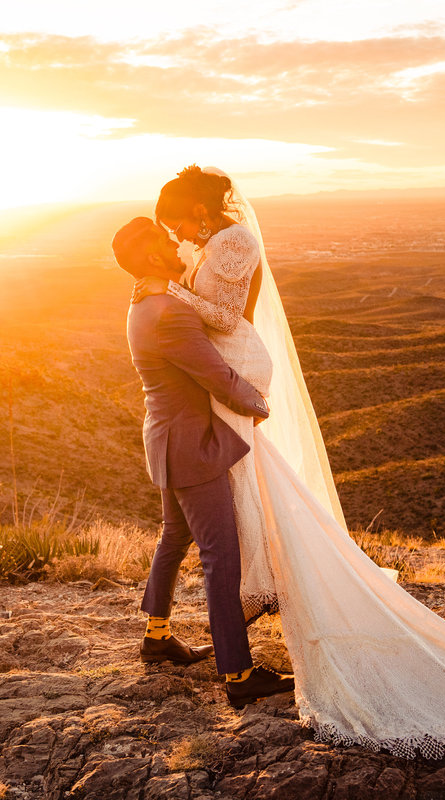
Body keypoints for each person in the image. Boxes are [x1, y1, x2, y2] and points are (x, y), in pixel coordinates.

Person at [129, 166, 445, 759]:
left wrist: (173, 293)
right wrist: (240, 388)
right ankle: (232, 663)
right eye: (166, 229)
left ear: (197, 209)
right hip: (202, 414)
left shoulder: (217, 254)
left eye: (175, 218)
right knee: (218, 537)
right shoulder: (170, 294)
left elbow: (225, 319)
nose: (173, 232)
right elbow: (205, 346)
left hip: (199, 405)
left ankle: (181, 631)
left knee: (203, 526)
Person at [111, 216, 295, 709]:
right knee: (222, 556)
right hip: (193, 448)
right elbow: (216, 375)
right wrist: (258, 405)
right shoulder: (169, 312)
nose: (177, 242)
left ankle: (157, 636)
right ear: (152, 257)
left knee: (174, 536)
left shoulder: (143, 304)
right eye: (167, 240)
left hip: (166, 439)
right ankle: (237, 673)